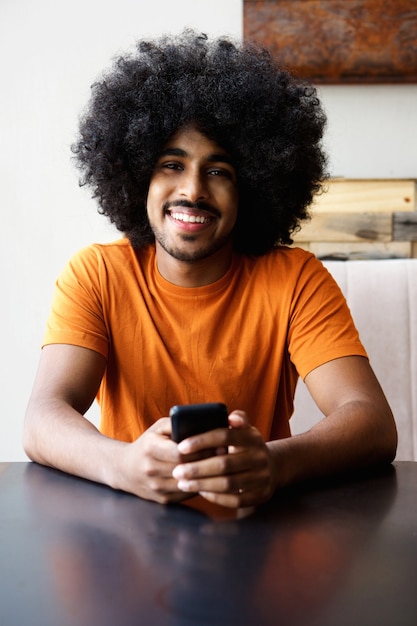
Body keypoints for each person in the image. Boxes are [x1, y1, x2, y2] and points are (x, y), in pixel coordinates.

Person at [23, 30, 397, 509]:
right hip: (126, 538)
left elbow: (371, 421)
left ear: (255, 187)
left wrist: (273, 464)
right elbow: (41, 418)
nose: (194, 190)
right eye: (172, 165)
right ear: (137, 175)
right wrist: (124, 465)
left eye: (219, 171)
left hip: (258, 532)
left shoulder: (295, 278)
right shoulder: (96, 274)